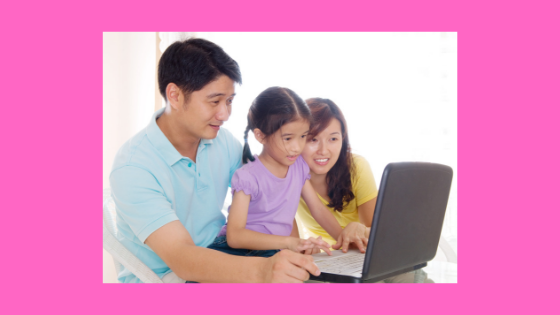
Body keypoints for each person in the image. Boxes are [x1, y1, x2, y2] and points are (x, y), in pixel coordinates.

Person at [110, 38, 321, 283]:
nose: (225, 114)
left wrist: (292, 247)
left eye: (229, 101)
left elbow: (266, 197)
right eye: (215, 101)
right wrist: (263, 270)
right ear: (175, 96)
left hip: (222, 254)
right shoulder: (133, 168)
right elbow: (182, 258)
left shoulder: (222, 142)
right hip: (166, 278)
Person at [206, 87, 342, 257]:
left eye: (303, 137)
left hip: (273, 251)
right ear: (260, 136)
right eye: (288, 138)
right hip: (236, 250)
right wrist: (289, 243)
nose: (297, 147)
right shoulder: (248, 177)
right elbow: (235, 236)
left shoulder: (298, 166)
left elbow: (318, 210)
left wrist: (343, 241)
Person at [296, 98, 378, 253]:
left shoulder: (357, 168)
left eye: (333, 139)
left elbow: (377, 237)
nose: (324, 150)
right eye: (313, 139)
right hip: (326, 260)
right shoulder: (290, 175)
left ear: (343, 139)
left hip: (364, 254)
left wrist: (362, 230)